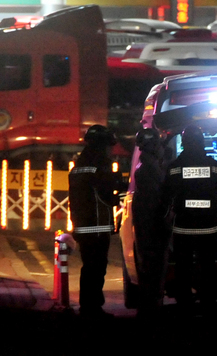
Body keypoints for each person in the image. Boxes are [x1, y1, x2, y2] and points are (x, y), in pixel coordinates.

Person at [162, 125, 217, 317]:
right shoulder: (214, 167)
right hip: (208, 226)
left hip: (183, 227)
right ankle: (208, 304)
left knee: (183, 267)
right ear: (202, 142)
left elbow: (165, 196)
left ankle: (185, 305)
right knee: (208, 266)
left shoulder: (175, 167)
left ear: (183, 143)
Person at [68, 124, 123, 319]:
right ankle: (93, 309)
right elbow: (106, 194)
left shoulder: (79, 166)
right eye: (109, 146)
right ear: (102, 145)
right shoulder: (100, 164)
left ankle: (87, 307)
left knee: (88, 267)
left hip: (82, 225)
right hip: (98, 226)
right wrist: (118, 188)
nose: (110, 150)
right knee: (97, 268)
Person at [132, 127, 168, 320]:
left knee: (149, 268)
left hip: (149, 229)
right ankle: (150, 312)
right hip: (153, 230)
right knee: (153, 270)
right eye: (159, 144)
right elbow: (158, 202)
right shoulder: (149, 170)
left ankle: (149, 309)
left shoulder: (146, 167)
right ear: (153, 146)